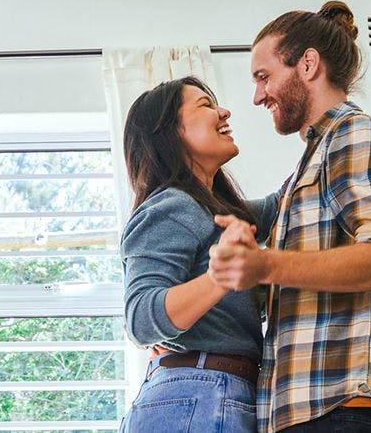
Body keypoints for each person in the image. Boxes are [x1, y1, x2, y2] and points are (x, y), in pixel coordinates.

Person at [207, 0, 371, 432]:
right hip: (316, 410)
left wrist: (265, 265)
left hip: (347, 409)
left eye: (264, 77)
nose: (257, 96)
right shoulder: (309, 164)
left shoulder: (355, 134)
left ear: (308, 64)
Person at [118, 76, 278, 433]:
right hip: (195, 396)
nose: (224, 112)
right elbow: (140, 319)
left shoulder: (213, 213)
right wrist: (223, 274)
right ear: (170, 132)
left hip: (210, 394)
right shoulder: (172, 206)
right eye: (206, 105)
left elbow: (287, 202)